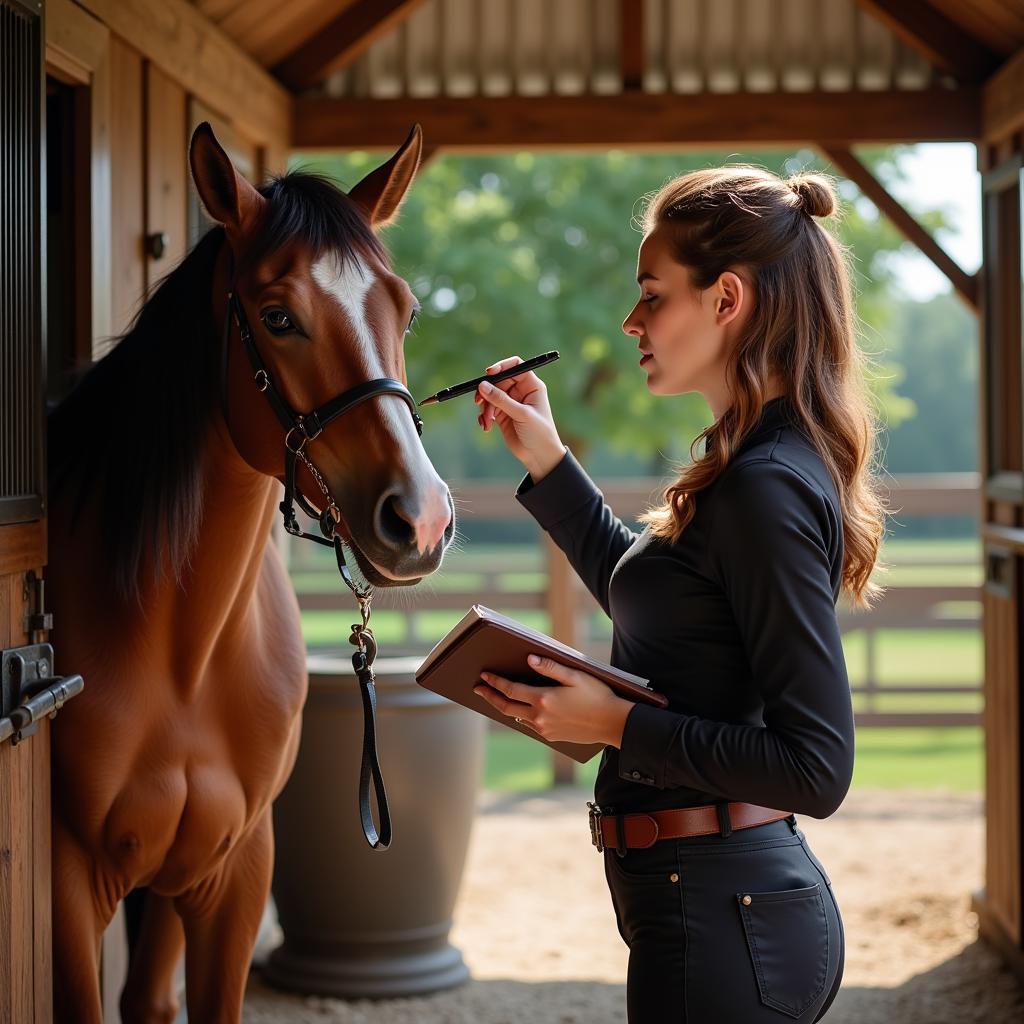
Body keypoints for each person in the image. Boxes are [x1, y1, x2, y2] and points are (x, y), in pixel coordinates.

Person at [471, 165, 886, 1023]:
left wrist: (614, 723)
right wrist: (547, 461)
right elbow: (665, 606)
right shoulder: (748, 466)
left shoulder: (764, 487)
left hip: (727, 927)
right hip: (709, 911)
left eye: (652, 295)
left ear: (726, 298)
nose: (631, 322)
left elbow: (818, 766)